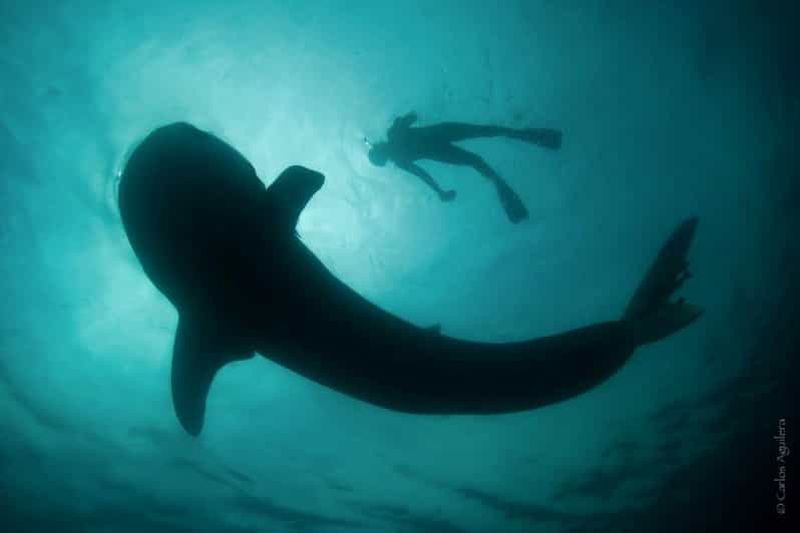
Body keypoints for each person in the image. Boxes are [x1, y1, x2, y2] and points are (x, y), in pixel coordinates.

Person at [367, 112, 562, 223]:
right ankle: (504, 181)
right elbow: (422, 173)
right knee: (480, 148)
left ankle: (523, 138)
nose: (387, 155)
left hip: (441, 140)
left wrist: (439, 191)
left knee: (481, 142)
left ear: (382, 153)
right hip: (441, 139)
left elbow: (422, 173)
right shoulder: (395, 142)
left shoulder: (396, 147)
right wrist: (438, 191)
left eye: (383, 156)